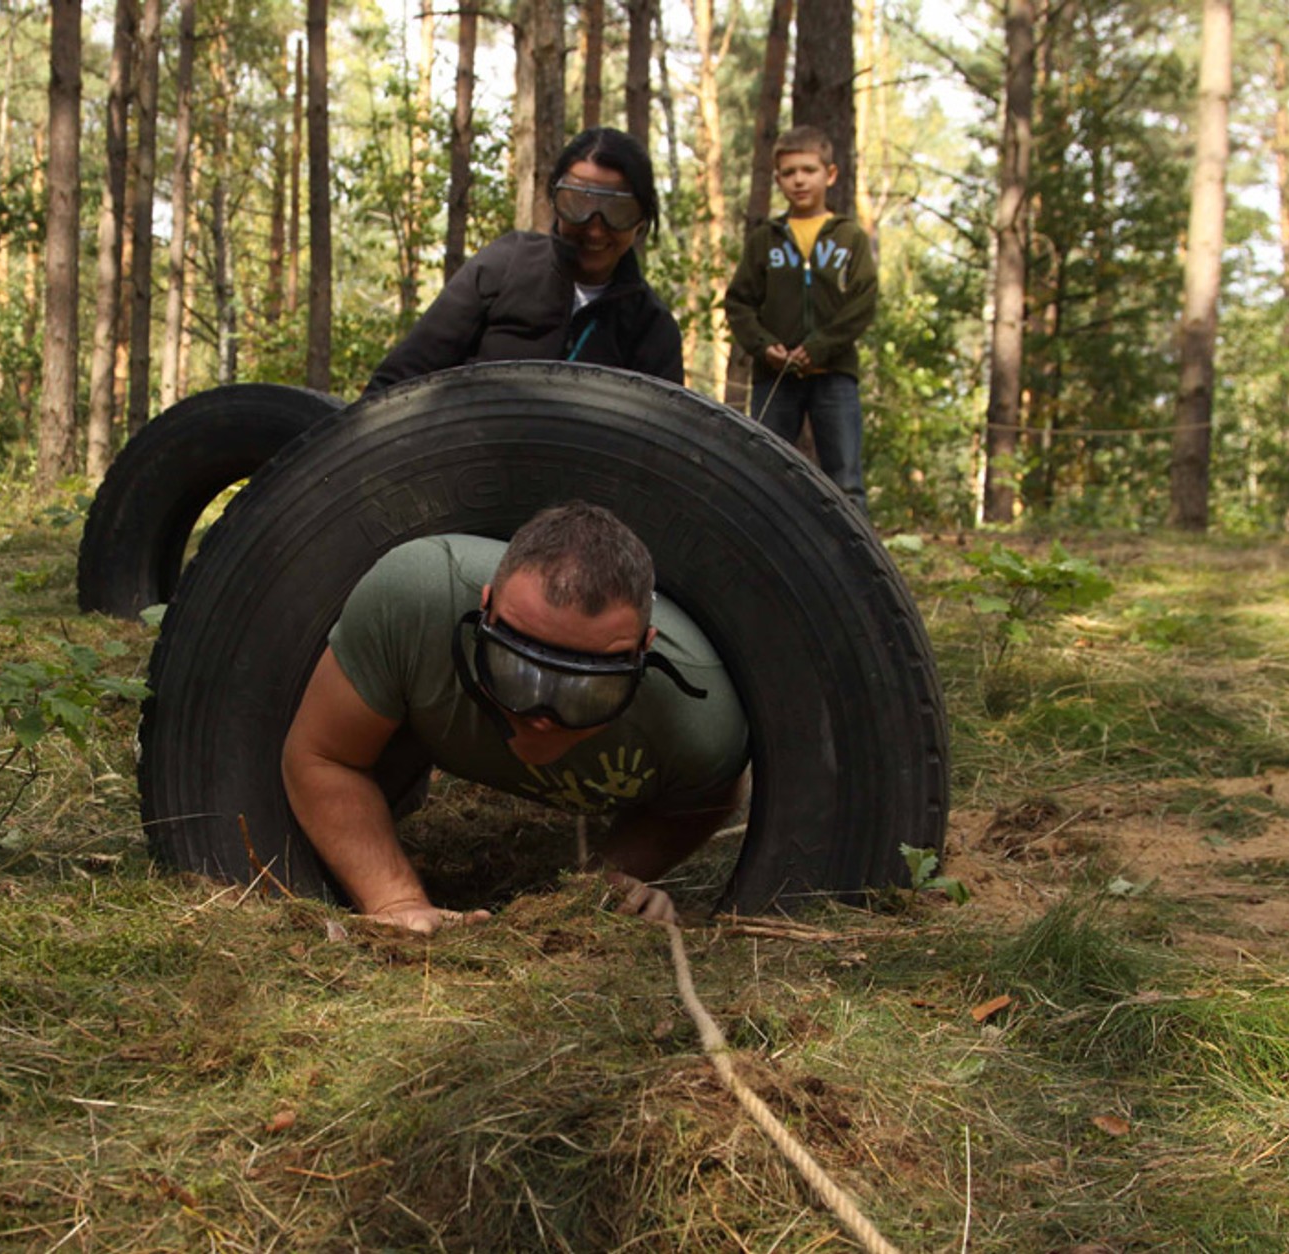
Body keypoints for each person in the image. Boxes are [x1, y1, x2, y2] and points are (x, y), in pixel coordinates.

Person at [281, 501, 748, 934]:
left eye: (588, 689)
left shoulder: (700, 716)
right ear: (482, 609)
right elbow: (324, 756)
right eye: (516, 669)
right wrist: (396, 902)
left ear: (643, 653)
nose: (543, 716)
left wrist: (605, 885)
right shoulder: (413, 604)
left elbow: (699, 805)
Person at [363, 128, 685, 393]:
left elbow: (664, 442)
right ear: (555, 202)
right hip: (465, 451)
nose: (595, 229)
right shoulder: (504, 266)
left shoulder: (652, 329)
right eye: (577, 204)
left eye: (618, 211)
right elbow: (399, 380)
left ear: (641, 220)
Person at [724, 124, 879, 507]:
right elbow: (739, 302)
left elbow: (863, 300)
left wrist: (820, 347)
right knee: (763, 473)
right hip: (775, 376)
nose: (799, 180)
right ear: (778, 179)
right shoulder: (766, 239)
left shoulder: (848, 237)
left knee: (846, 481)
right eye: (789, 172)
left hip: (834, 374)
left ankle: (852, 549)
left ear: (830, 174)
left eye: (809, 170)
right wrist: (764, 346)